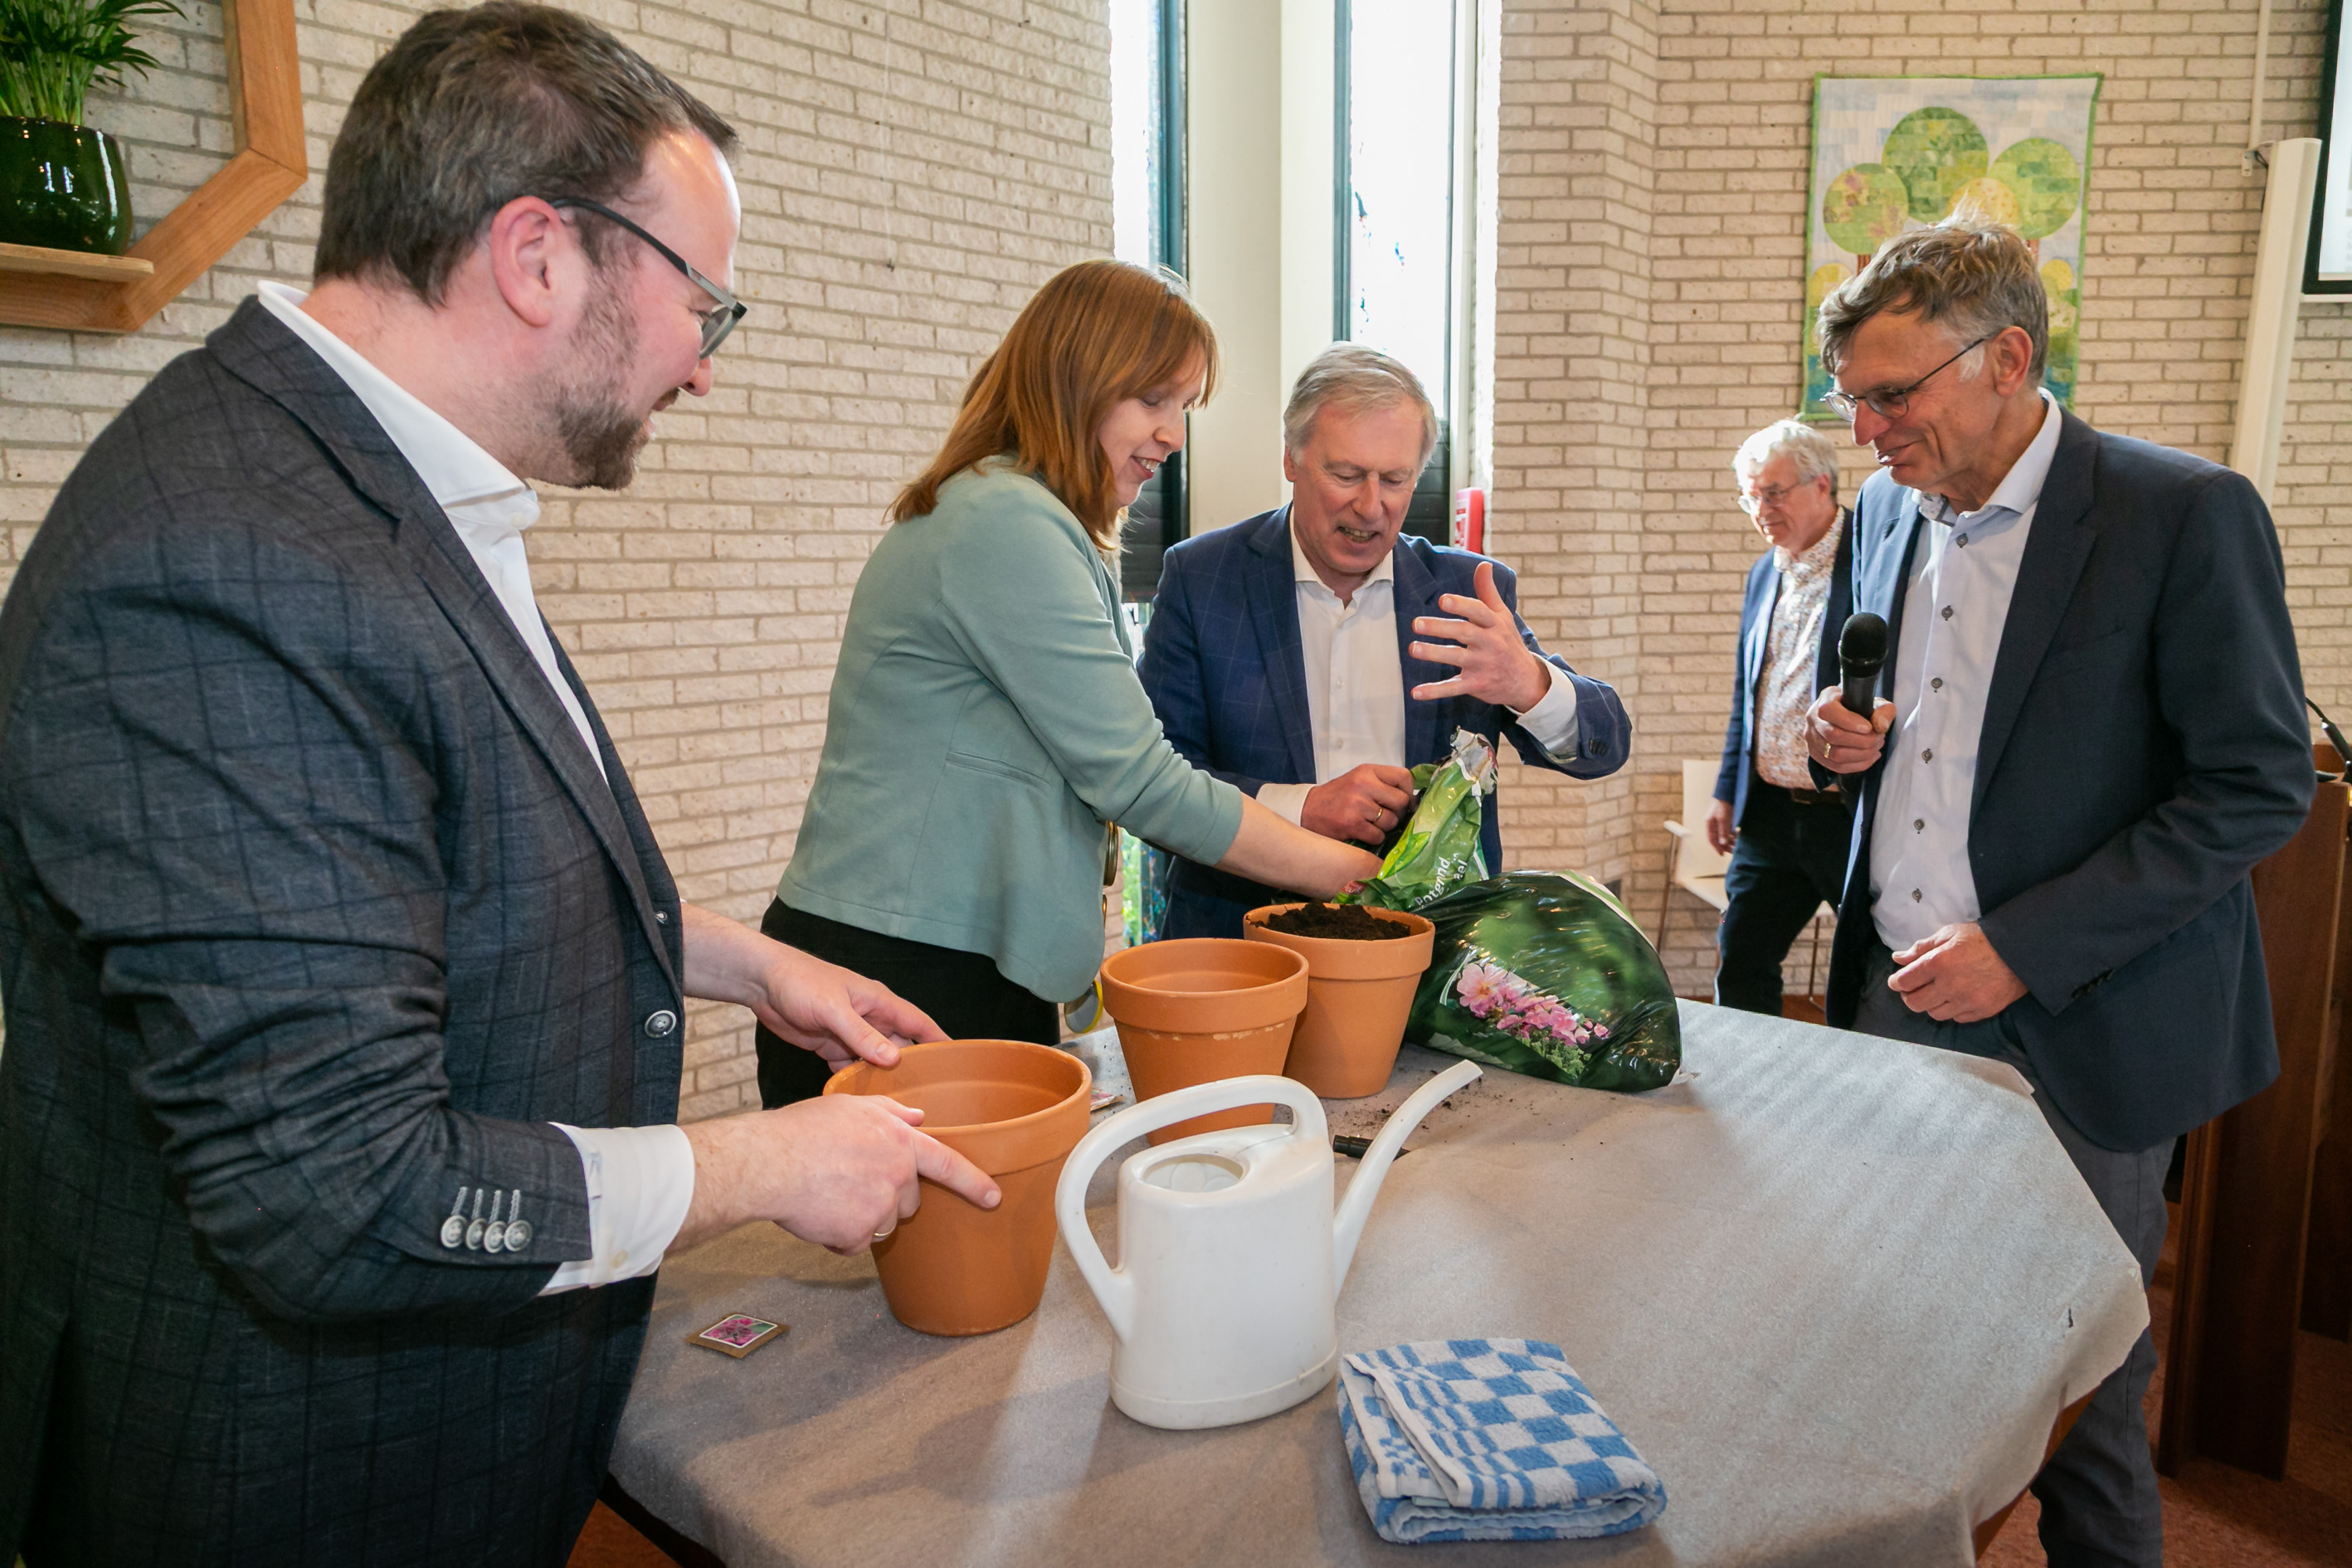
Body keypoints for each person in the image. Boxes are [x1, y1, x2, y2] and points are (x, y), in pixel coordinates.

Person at [0, 8, 1001, 1563]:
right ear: (540, 255)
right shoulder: (223, 564)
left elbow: (421, 879)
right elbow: (337, 1191)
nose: (701, 371)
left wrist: (735, 962)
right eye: (703, 305)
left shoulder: (379, 485)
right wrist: (758, 1165)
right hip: (283, 1475)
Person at [1804, 222, 2313, 1568]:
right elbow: (1904, 741)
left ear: (2007, 359)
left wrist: (2020, 952)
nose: (1866, 430)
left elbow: (2257, 787)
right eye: (1850, 397)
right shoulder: (1879, 520)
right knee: (1903, 1358)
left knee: (2079, 1407)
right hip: (1898, 1009)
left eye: (1892, 394)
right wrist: (1844, 745)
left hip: (2081, 1031)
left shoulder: (2180, 515)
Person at [755, 262, 1381, 1106]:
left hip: (960, 957)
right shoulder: (1002, 523)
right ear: (1077, 378)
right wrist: (1345, 876)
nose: (1173, 436)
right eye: (1155, 399)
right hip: (900, 965)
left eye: (1183, 407)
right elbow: (1138, 778)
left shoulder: (1023, 518)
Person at [1137, 344, 1629, 940]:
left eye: (1394, 480)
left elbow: (1604, 746)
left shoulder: (1464, 589)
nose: (1370, 507)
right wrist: (1300, 806)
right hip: (1237, 939)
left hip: (1427, 950)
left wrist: (1527, 683)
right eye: (1345, 475)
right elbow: (1154, 775)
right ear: (1291, 460)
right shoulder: (1203, 578)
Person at [1707, 418, 1855, 1014]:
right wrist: (1725, 790)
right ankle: (1746, 1095)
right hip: (1769, 811)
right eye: (1750, 495)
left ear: (1821, 485)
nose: (1759, 509)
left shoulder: (1871, 565)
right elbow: (1751, 694)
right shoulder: (1763, 572)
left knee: (1860, 973)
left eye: (1772, 492)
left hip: (1847, 812)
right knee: (1741, 957)